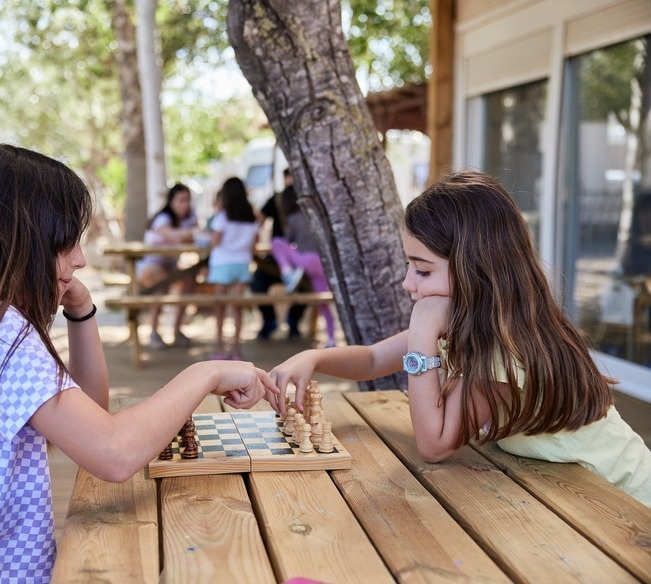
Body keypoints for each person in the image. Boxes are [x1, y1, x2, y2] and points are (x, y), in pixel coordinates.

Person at [0, 145, 280, 584]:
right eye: (68, 241)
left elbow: (89, 414)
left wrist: (81, 310)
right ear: (25, 240)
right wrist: (206, 372)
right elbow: (113, 454)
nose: (81, 259)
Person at [268, 170, 651, 506]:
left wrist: (422, 333)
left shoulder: (506, 348)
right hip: (572, 492)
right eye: (408, 265)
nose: (407, 283)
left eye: (422, 270)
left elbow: (434, 445)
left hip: (624, 501)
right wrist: (313, 358)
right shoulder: (471, 321)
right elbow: (372, 360)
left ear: (476, 269)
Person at [270, 185, 337, 348]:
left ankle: (288, 273)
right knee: (323, 302)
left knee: (277, 243)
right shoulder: (316, 217)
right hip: (321, 263)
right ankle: (331, 338)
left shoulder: (293, 218)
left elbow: (287, 241)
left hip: (303, 260)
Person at [136, 183, 198, 349]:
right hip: (151, 267)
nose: (185, 204)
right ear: (171, 201)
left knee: (189, 279)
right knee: (162, 284)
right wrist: (192, 233)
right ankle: (154, 332)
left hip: (170, 266)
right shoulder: (163, 218)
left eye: (187, 200)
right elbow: (169, 234)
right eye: (181, 200)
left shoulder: (187, 220)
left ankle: (177, 330)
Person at [207, 177, 260, 360]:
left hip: (222, 264)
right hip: (242, 264)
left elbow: (215, 241)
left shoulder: (222, 216)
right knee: (237, 308)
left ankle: (219, 348)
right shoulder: (252, 217)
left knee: (220, 307)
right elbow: (254, 242)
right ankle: (236, 349)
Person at [251, 168, 307, 339]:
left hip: (298, 258)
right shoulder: (276, 199)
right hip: (276, 258)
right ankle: (269, 321)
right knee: (257, 283)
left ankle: (294, 321)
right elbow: (258, 221)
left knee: (307, 286)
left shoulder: (306, 200)